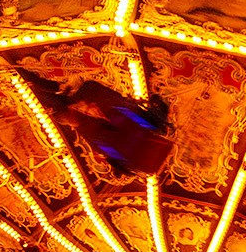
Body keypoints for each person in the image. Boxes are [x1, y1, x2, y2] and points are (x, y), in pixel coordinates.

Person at [18, 71, 175, 177]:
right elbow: (122, 110)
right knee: (55, 100)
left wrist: (82, 117)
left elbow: (102, 138)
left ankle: (27, 78)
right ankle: (28, 78)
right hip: (95, 107)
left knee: (55, 103)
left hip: (93, 113)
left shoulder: (130, 138)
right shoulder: (138, 128)